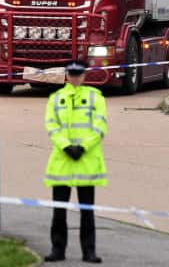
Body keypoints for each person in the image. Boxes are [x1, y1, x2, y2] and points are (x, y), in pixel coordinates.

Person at [43, 61, 107, 263]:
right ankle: (57, 250)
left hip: (86, 161)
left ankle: (89, 251)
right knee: (59, 211)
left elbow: (100, 126)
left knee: (87, 212)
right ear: (67, 75)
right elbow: (51, 126)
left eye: (78, 74)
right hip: (63, 161)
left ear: (84, 75)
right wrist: (65, 146)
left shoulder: (95, 97)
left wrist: (83, 147)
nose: (75, 78)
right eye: (72, 74)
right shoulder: (56, 98)